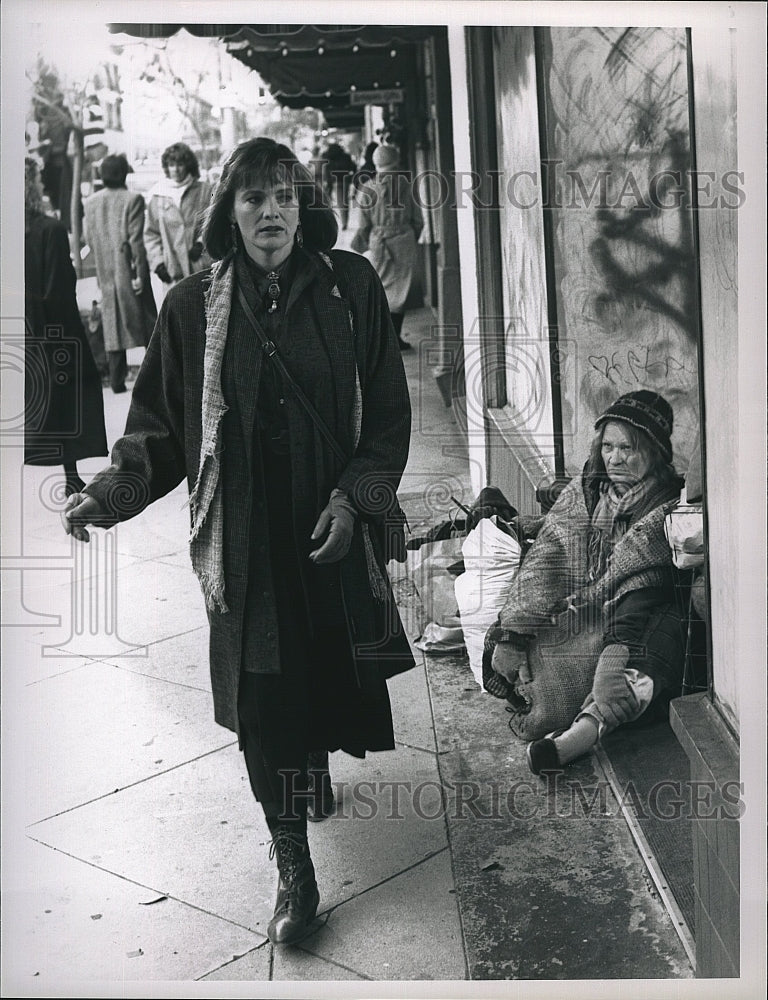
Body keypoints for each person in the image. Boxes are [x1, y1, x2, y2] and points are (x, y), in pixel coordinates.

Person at [62, 137, 415, 946]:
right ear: (230, 211)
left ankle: (312, 766)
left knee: (325, 672)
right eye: (255, 198)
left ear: (305, 204)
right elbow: (158, 430)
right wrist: (109, 494)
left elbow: (389, 420)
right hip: (245, 538)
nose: (273, 212)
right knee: (265, 692)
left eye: (286, 195)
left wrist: (354, 504)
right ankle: (293, 861)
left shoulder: (350, 285)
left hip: (327, 527)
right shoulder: (192, 306)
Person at [483, 390, 687, 774]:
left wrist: (612, 658)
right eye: (608, 446)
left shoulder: (667, 508)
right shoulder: (589, 491)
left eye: (628, 447)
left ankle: (577, 736)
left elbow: (638, 589)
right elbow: (550, 557)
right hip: (585, 609)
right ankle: (574, 719)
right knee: (504, 648)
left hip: (630, 623)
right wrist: (515, 632)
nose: (615, 458)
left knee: (653, 649)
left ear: (655, 451)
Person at [24, 157, 108, 496]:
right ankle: (71, 474)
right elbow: (58, 290)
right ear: (31, 184)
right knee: (72, 395)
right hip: (50, 330)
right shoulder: (50, 230)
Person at [83, 154, 157, 394]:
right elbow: (136, 242)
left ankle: (117, 380)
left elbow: (89, 239)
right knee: (148, 323)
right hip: (129, 269)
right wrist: (140, 274)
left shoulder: (91, 202)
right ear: (124, 173)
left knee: (112, 322)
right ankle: (156, 376)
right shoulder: (133, 199)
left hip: (106, 271)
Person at [350, 144, 423, 350]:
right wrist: (409, 235)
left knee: (382, 288)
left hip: (379, 242)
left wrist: (369, 240)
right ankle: (396, 337)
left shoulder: (366, 188)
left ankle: (384, 338)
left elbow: (363, 224)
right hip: (404, 241)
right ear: (396, 160)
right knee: (402, 290)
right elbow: (419, 220)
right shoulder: (408, 185)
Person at [145, 142, 211, 305]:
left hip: (200, 267)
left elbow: (214, 221)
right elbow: (151, 234)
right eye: (171, 164)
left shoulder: (204, 190)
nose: (175, 169)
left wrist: (201, 243)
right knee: (177, 318)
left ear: (188, 166)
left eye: (180, 164)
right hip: (172, 271)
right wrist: (158, 263)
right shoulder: (158, 195)